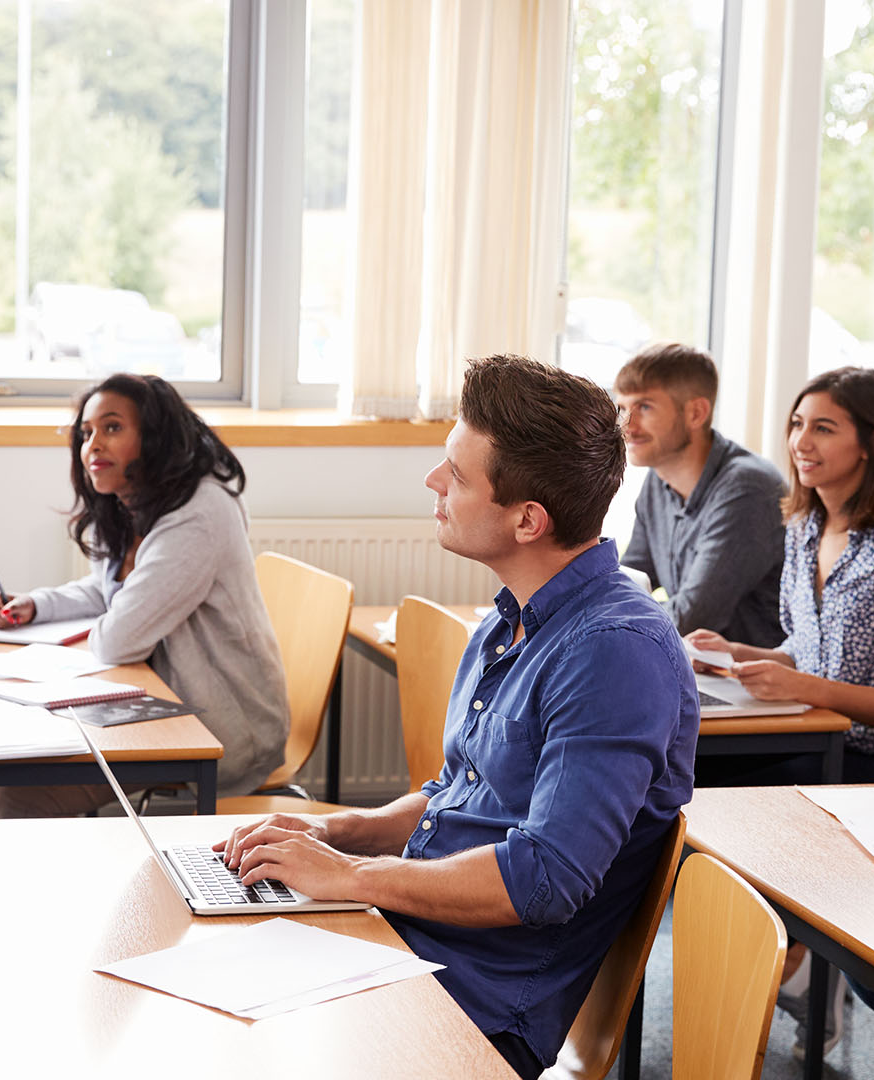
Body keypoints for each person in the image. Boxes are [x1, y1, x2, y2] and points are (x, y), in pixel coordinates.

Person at [215, 355, 695, 1080]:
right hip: (405, 942)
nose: (434, 483)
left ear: (528, 519)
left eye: (457, 474)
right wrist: (329, 832)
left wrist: (353, 875)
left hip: (475, 1006)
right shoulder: (508, 624)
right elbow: (454, 798)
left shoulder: (615, 655)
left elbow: (544, 878)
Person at [0, 373, 288, 817]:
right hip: (154, 705)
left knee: (18, 797)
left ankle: (74, 889)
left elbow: (118, 638)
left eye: (111, 428)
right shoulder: (136, 500)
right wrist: (38, 605)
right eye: (86, 433)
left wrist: (108, 618)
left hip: (219, 728)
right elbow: (114, 591)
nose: (93, 445)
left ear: (156, 437)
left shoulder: (198, 514)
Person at [687, 366, 874, 784]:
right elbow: (807, 652)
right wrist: (735, 654)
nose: (801, 442)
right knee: (675, 765)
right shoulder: (804, 526)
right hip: (819, 738)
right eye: (797, 424)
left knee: (702, 778)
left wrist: (803, 687)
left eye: (823, 429)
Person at [616, 343, 787, 645]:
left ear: (696, 413)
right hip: (698, 670)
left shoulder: (748, 488)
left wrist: (605, 622)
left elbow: (690, 618)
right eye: (622, 408)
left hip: (746, 684)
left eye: (644, 407)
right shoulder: (658, 479)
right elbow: (627, 584)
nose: (626, 425)